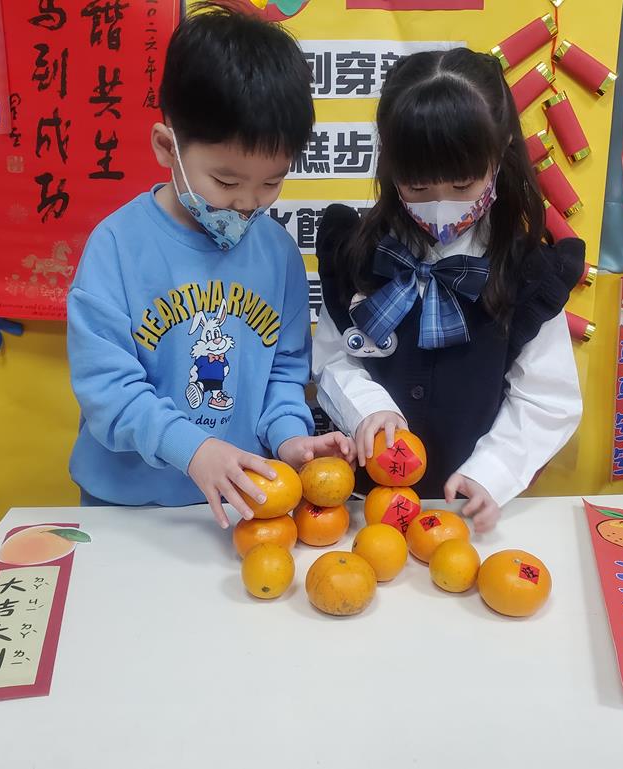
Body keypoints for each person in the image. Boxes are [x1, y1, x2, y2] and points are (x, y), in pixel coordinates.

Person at [68, 2, 351, 527]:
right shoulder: (116, 246)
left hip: (243, 508)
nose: (247, 202)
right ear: (166, 147)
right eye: (225, 181)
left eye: (271, 182)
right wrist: (193, 449)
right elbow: (108, 390)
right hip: (129, 513)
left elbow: (283, 375)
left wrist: (291, 439)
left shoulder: (278, 254)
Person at [314, 48, 583, 533]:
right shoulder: (356, 254)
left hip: (465, 513)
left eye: (462, 185)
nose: (441, 205)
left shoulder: (526, 274)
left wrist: (493, 472)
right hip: (357, 510)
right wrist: (368, 410)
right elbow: (334, 358)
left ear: (500, 152)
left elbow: (547, 397)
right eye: (417, 187)